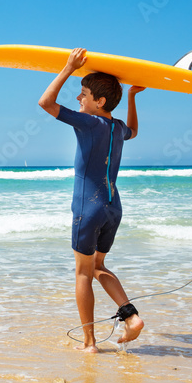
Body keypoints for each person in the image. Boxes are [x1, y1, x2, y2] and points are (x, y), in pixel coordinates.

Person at [38, 47, 145, 352]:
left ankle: (89, 343)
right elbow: (134, 130)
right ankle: (131, 317)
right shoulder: (117, 128)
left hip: (89, 207)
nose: (78, 99)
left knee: (83, 272)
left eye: (82, 94)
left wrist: (69, 68)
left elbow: (45, 103)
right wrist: (133, 96)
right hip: (113, 207)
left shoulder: (89, 123)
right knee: (98, 266)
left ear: (99, 102)